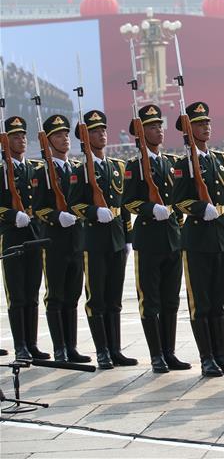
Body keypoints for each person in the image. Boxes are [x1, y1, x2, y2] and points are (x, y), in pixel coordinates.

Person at [172, 102, 224, 377]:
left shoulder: (219, 160)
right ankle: (206, 357)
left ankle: (221, 355)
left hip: (218, 239)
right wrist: (200, 208)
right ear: (190, 130)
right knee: (200, 302)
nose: (207, 127)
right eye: (200, 124)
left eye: (208, 122)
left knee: (218, 301)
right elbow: (179, 201)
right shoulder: (184, 163)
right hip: (197, 239)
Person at [124, 104, 190, 374]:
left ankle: (169, 351)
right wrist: (151, 209)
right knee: (150, 300)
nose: (159, 130)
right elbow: (127, 202)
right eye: (152, 127)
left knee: (170, 300)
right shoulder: (135, 166)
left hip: (172, 239)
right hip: (149, 239)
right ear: (141, 134)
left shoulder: (170, 163)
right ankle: (156, 355)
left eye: (160, 125)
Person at [68, 110, 135, 369]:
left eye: (103, 130)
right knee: (97, 297)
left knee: (114, 297)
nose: (102, 134)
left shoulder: (117, 166)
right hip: (94, 240)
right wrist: (95, 211)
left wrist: (128, 237)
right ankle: (102, 350)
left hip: (117, 238)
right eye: (96, 131)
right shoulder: (81, 170)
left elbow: (125, 205)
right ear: (86, 138)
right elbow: (74, 205)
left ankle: (116, 348)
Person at [32, 114, 90, 363]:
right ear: (48, 141)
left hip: (76, 240)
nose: (65, 139)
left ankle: (72, 346)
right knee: (55, 295)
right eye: (58, 135)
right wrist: (57, 217)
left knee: (73, 295)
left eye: (66, 134)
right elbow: (39, 208)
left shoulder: (77, 169)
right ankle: (59, 348)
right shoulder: (42, 172)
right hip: (54, 241)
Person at [0, 116, 48, 361]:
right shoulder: (1, 171)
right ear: (4, 141)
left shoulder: (35, 168)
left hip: (34, 234)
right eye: (14, 136)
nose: (20, 140)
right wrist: (10, 215)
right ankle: (20, 346)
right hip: (12, 236)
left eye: (22, 135)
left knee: (32, 291)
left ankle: (32, 343)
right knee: (17, 294)